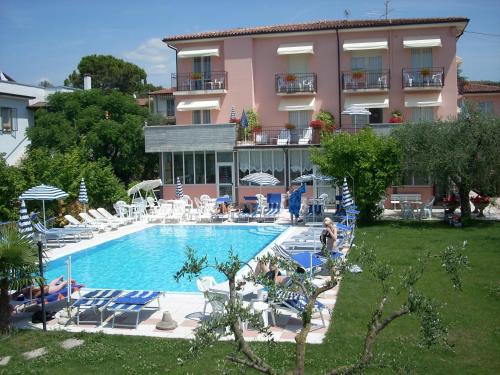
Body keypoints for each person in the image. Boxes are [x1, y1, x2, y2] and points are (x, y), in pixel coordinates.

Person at [13, 276, 77, 300]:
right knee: (59, 285)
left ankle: (62, 278)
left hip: (47, 290)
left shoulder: (24, 291)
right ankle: (66, 279)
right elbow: (38, 295)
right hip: (47, 290)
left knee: (56, 285)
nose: (33, 285)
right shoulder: (31, 292)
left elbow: (14, 296)